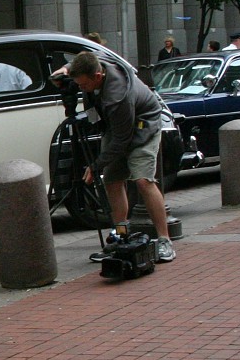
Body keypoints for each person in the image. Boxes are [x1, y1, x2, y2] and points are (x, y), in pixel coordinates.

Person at [66, 51, 175, 263]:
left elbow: (121, 141)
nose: (81, 89)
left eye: (84, 85)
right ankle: (121, 235)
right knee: (113, 180)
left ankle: (164, 240)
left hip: (143, 126)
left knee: (143, 181)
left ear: (97, 76)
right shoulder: (95, 64)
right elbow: (83, 57)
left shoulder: (118, 97)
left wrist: (95, 165)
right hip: (117, 128)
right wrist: (64, 70)